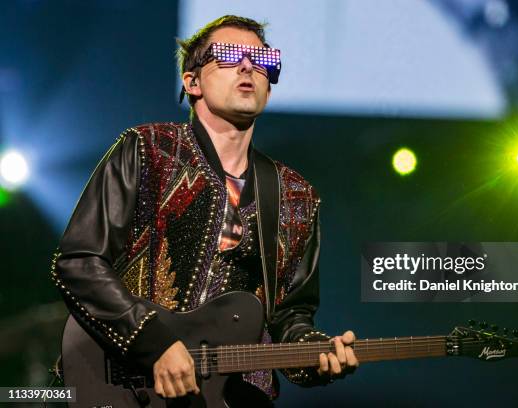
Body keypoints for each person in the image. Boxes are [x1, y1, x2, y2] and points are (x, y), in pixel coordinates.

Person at [51, 14, 358, 406]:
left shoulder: (297, 195)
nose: (248, 66)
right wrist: (154, 343)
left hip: (238, 396)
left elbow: (290, 317)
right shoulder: (149, 150)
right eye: (229, 55)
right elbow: (78, 261)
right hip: (130, 386)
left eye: (262, 59)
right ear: (191, 81)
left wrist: (318, 355)